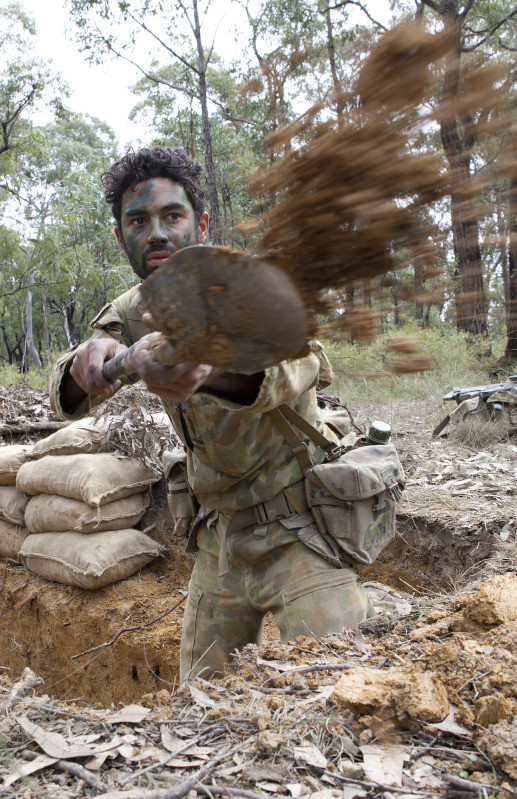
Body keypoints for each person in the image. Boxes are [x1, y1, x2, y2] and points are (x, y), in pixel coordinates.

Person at [50, 146, 374, 682]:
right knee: (199, 710)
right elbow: (68, 389)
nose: (156, 234)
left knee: (340, 695)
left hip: (298, 530)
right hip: (219, 540)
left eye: (171, 216)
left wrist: (214, 369)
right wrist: (86, 366)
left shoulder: (250, 287)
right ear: (120, 236)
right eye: (138, 221)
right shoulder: (132, 311)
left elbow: (300, 362)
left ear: (199, 222)